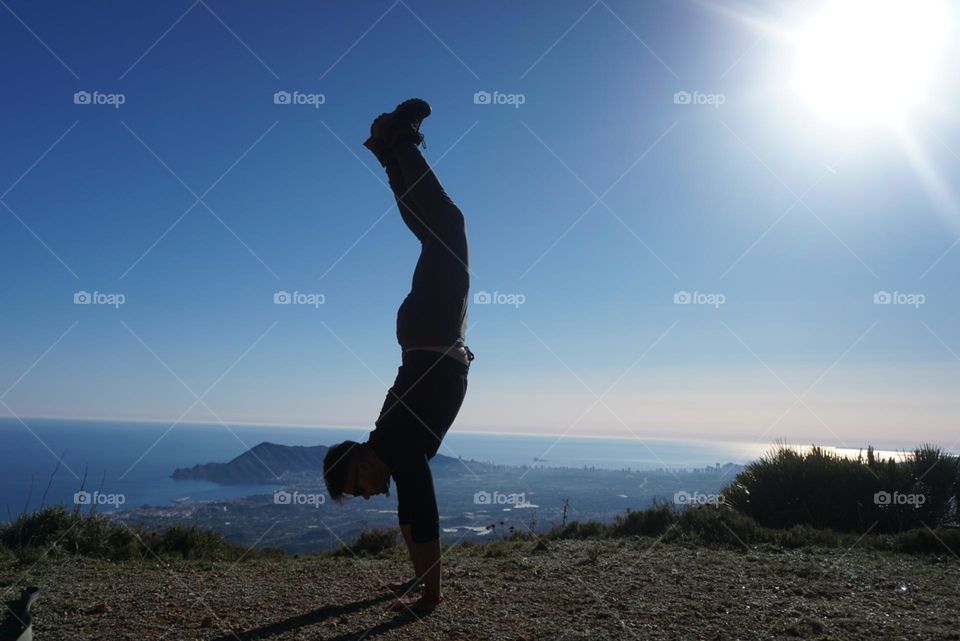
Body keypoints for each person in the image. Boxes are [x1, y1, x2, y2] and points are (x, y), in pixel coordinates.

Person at [323, 98, 474, 615]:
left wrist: (430, 597)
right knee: (437, 231)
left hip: (431, 328)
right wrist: (415, 583)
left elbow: (420, 514)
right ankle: (390, 149)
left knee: (448, 225)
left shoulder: (397, 447)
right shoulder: (387, 444)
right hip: (424, 330)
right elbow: (410, 518)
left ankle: (398, 139)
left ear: (360, 461)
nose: (366, 495)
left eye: (356, 485)